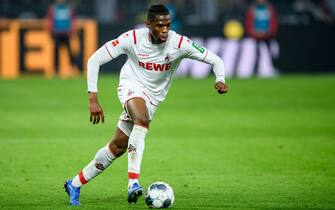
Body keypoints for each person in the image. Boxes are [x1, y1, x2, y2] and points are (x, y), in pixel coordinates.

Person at [64, 4, 228, 206]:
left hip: (154, 99)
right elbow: (94, 59)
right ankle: (133, 183)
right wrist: (93, 99)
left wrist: (219, 78)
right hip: (130, 87)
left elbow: (216, 60)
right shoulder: (132, 39)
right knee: (141, 121)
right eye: (160, 25)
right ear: (148, 24)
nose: (165, 30)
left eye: (168, 25)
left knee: (117, 147)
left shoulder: (179, 43)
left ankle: (74, 184)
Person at [245, 0, 278, 77]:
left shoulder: (269, 9)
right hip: (256, 35)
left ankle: (273, 68)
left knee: (271, 53)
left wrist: (271, 32)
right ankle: (255, 70)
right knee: (256, 54)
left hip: (268, 35)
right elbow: (249, 22)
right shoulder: (252, 9)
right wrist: (253, 33)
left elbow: (273, 22)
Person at [47, 0, 76, 75]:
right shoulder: (53, 8)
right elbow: (50, 20)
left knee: (69, 51)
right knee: (56, 51)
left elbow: (72, 20)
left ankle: (72, 68)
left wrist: (72, 30)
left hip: (66, 32)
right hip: (57, 32)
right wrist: (51, 30)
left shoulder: (69, 7)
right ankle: (56, 69)